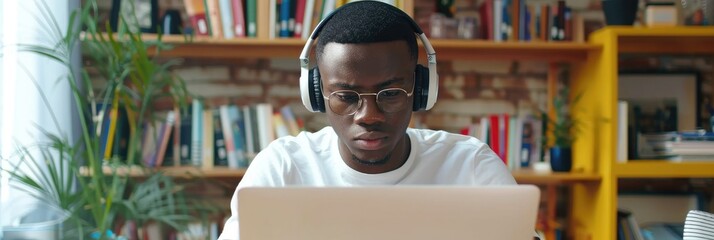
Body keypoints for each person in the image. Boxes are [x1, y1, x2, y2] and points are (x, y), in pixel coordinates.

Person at [217, 1, 516, 239]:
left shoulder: (471, 166)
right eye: (346, 97)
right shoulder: (282, 169)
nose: (369, 117)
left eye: (390, 93)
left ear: (421, 90)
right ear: (317, 95)